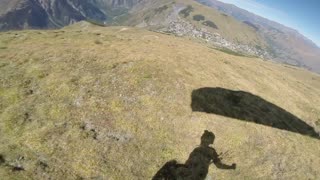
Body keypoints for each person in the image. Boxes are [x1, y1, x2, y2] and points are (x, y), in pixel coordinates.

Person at [153, 130, 236, 180]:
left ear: (208, 140)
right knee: (171, 167)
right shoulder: (198, 149)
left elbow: (219, 165)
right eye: (203, 136)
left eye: (204, 136)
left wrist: (230, 167)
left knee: (170, 165)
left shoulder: (210, 151)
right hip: (190, 174)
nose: (201, 137)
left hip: (191, 175)